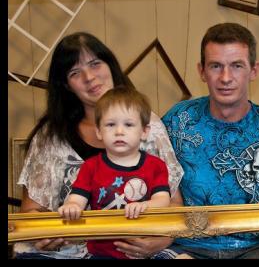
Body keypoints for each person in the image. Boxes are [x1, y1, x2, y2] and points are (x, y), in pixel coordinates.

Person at [14, 32, 183, 259]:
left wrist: (161, 240)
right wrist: (43, 235)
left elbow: (173, 205)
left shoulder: (149, 125)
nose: (89, 77)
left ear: (110, 65)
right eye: (75, 72)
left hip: (134, 250)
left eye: (95, 64)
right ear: (66, 85)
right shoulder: (50, 136)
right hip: (65, 253)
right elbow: (30, 211)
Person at [160, 22, 259, 259]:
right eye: (216, 66)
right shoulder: (177, 121)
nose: (226, 77)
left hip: (255, 248)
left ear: (254, 70)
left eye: (237, 66)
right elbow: (154, 184)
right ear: (201, 71)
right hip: (187, 246)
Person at [58, 86, 171, 259]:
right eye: (110, 124)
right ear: (99, 131)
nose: (119, 131)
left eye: (128, 124)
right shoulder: (90, 167)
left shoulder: (156, 165)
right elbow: (77, 198)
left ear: (144, 131)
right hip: (100, 251)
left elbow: (163, 200)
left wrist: (145, 206)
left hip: (144, 250)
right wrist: (72, 206)